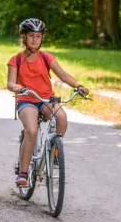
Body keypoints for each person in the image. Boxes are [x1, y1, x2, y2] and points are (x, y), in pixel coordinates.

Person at [7, 18, 89, 187]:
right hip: (27, 99)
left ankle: (55, 153)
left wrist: (78, 86)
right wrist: (18, 87)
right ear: (23, 37)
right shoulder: (16, 60)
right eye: (31, 35)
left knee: (62, 118)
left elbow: (63, 75)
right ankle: (23, 173)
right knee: (31, 130)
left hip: (45, 99)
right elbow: (10, 83)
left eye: (38, 35)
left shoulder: (46, 58)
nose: (35, 39)